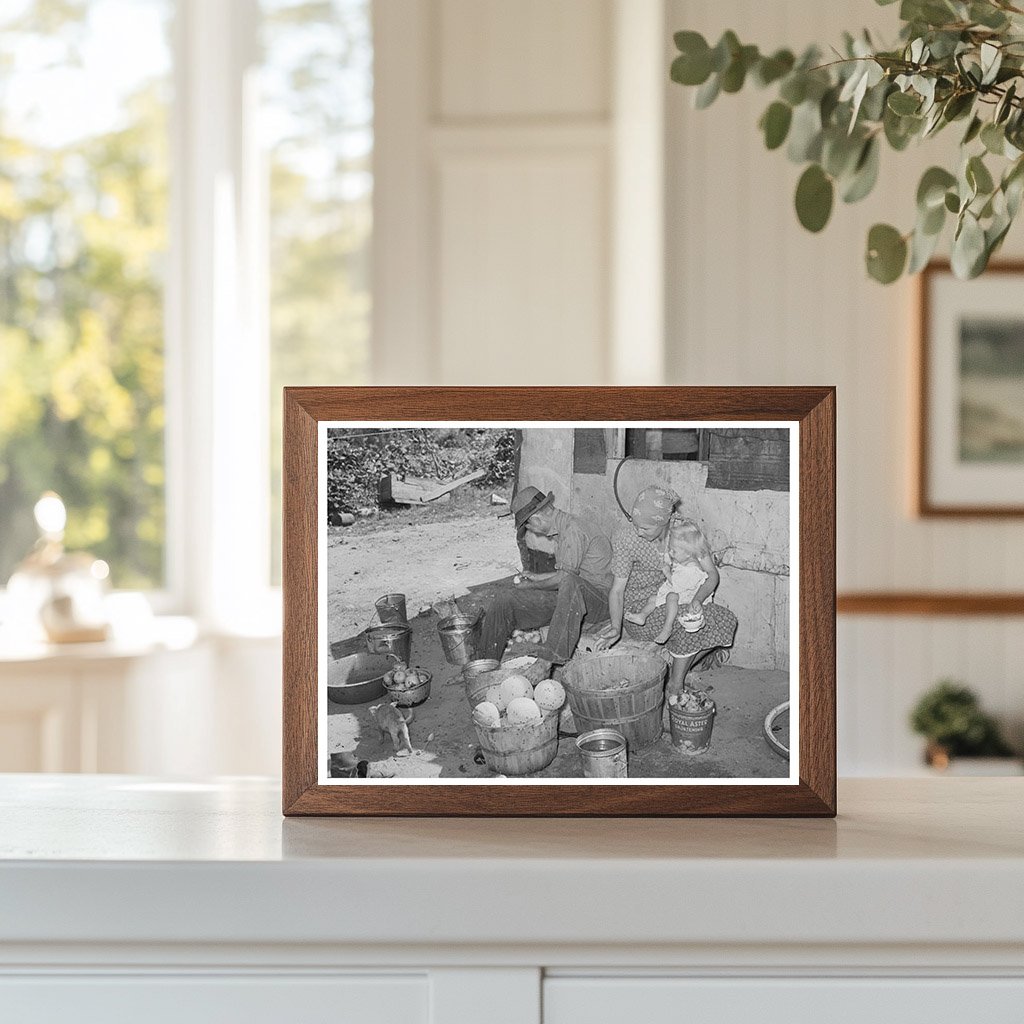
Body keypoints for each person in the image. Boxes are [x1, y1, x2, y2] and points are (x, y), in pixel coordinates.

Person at [594, 486, 737, 700]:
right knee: (685, 619)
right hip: (643, 610)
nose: (638, 532)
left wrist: (697, 600)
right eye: (635, 525)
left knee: (725, 620)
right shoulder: (626, 538)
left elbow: (711, 574)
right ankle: (676, 685)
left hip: (682, 596)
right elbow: (617, 590)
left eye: (645, 528)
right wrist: (616, 627)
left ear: (664, 523)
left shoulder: (684, 531)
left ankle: (676, 674)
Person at [479, 486, 612, 670]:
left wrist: (531, 587)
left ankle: (548, 660)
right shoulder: (564, 528)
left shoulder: (573, 530)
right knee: (504, 600)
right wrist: (536, 577)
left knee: (568, 583)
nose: (532, 531)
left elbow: (567, 579)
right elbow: (570, 574)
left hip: (600, 603)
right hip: (576, 595)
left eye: (529, 527)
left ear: (536, 519)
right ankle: (482, 666)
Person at [625, 518, 712, 644]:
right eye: (670, 548)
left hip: (689, 597)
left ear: (688, 554)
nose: (671, 552)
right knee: (653, 598)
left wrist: (667, 573)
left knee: (671, 596)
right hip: (680, 593)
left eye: (674, 551)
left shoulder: (692, 570)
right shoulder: (683, 561)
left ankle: (667, 627)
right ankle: (642, 616)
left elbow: (677, 586)